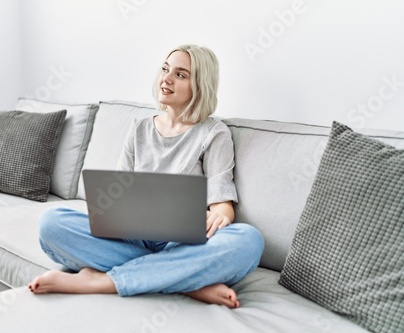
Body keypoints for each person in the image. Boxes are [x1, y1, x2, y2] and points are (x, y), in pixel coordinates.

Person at [28, 44, 264, 308]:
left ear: (200, 85)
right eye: (165, 69)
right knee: (51, 222)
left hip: (181, 242)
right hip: (130, 234)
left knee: (248, 241)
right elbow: (114, 197)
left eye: (181, 75)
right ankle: (186, 281)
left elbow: (223, 205)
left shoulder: (213, 133)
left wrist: (218, 216)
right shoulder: (139, 128)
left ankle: (104, 281)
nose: (167, 79)